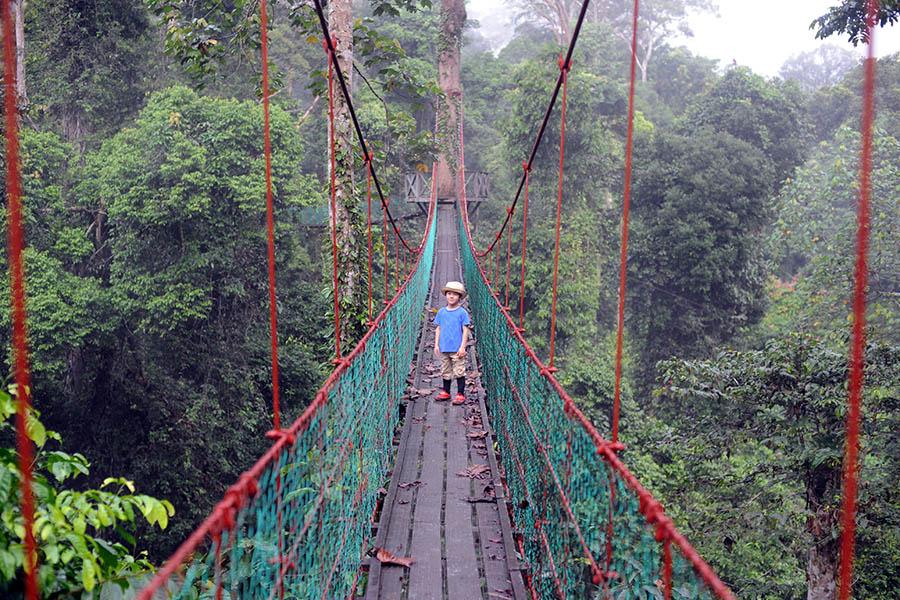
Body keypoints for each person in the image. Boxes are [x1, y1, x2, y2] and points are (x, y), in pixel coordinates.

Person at [433, 281, 471, 405]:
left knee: (459, 370)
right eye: (449, 293)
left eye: (455, 294)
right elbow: (438, 328)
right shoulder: (441, 312)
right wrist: (436, 344)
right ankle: (446, 391)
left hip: (457, 348)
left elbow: (465, 330)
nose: (451, 296)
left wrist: (462, 347)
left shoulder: (462, 313)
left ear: (459, 297)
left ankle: (460, 394)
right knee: (445, 370)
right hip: (444, 347)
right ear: (446, 295)